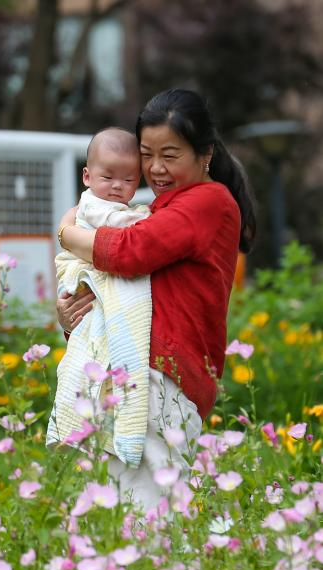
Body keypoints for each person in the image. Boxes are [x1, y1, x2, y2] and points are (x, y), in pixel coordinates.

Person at [54, 89, 257, 513]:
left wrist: (66, 232)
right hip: (139, 371)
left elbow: (129, 253)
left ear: (204, 153)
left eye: (170, 154)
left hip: (163, 376)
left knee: (147, 520)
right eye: (146, 154)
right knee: (119, 514)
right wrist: (74, 313)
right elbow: (125, 289)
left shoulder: (208, 201)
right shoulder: (159, 207)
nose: (156, 168)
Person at [47, 128, 154, 470]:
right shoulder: (95, 207)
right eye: (107, 177)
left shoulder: (108, 204)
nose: (117, 187)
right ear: (87, 176)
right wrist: (147, 219)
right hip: (86, 278)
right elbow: (123, 230)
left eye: (128, 179)